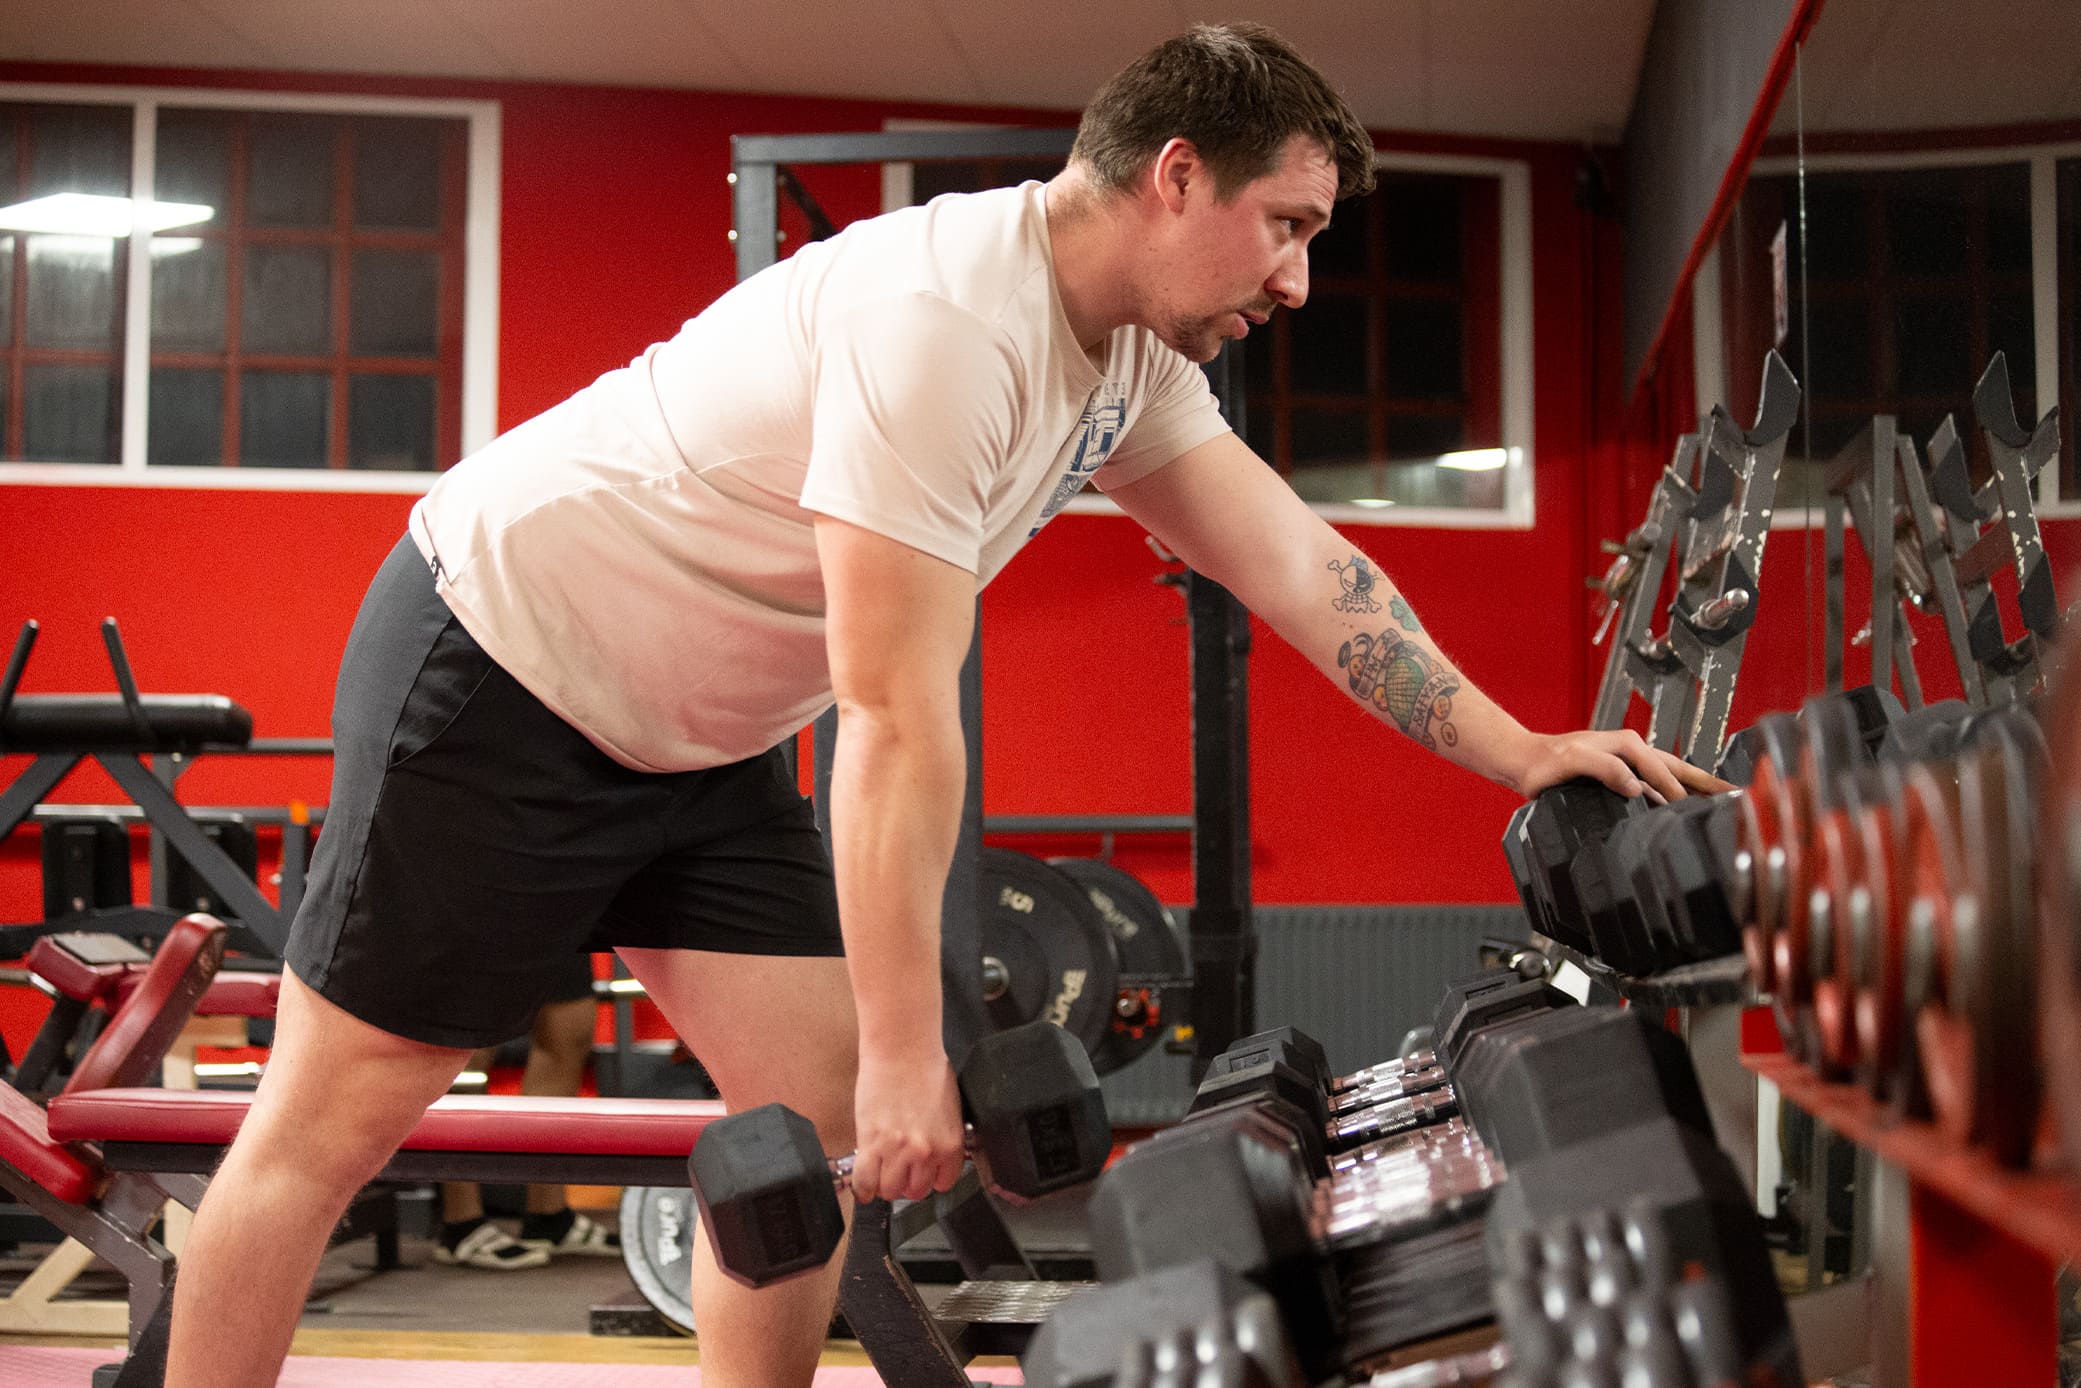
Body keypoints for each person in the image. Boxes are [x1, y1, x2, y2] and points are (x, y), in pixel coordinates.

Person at [166, 22, 1722, 1388]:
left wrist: (1517, 749)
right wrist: (919, 1053)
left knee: (806, 1135)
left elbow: (1306, 574)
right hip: (500, 666)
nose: (1299, 281)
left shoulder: (1128, 363)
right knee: (327, 1133)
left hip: (691, 745)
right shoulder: (947, 329)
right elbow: (892, 715)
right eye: (1286, 227)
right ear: (1177, 175)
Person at [433, 958, 621, 1269]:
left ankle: (548, 1217)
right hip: (478, 914)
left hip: (555, 911)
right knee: (472, 1035)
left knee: (570, 1024)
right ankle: (460, 1223)